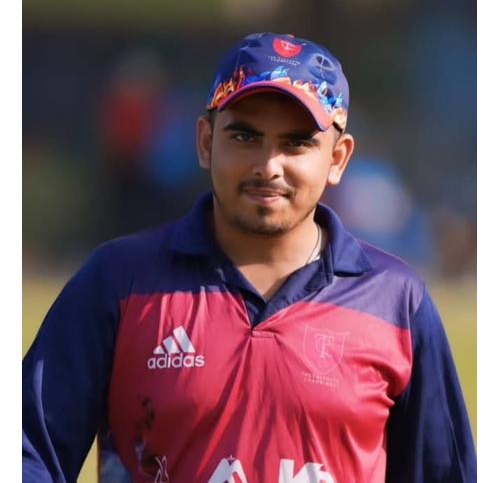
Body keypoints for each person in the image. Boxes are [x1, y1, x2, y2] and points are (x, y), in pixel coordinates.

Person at [23, 32, 476, 483]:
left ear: (338, 159)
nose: (268, 166)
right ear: (206, 142)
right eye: (244, 136)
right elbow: (27, 453)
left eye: (296, 143)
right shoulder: (119, 282)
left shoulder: (396, 302)